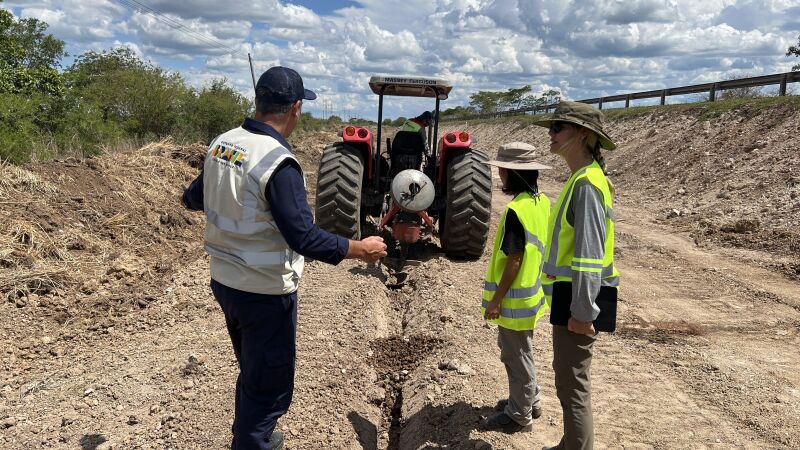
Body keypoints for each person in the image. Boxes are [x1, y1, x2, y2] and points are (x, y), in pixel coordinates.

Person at [181, 66, 387, 450]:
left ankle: (252, 434)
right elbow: (303, 236)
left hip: (225, 283)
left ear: (258, 102)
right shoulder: (278, 161)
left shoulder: (221, 144)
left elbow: (193, 197)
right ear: (295, 108)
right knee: (269, 387)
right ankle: (254, 442)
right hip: (265, 292)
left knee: (254, 371)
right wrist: (360, 249)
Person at [533, 101, 620, 450]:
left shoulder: (586, 185)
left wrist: (583, 314)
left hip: (579, 303)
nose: (551, 134)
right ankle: (570, 442)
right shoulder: (580, 179)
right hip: (570, 299)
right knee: (566, 379)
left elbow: (587, 258)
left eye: (559, 127)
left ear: (583, 134)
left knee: (573, 385)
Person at [481, 142, 552, 433]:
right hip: (531, 294)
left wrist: (497, 300)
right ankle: (529, 399)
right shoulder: (541, 201)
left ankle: (519, 415)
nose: (499, 174)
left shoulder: (516, 210)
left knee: (515, 354)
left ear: (512, 172)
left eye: (501, 170)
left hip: (513, 298)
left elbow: (515, 258)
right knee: (522, 349)